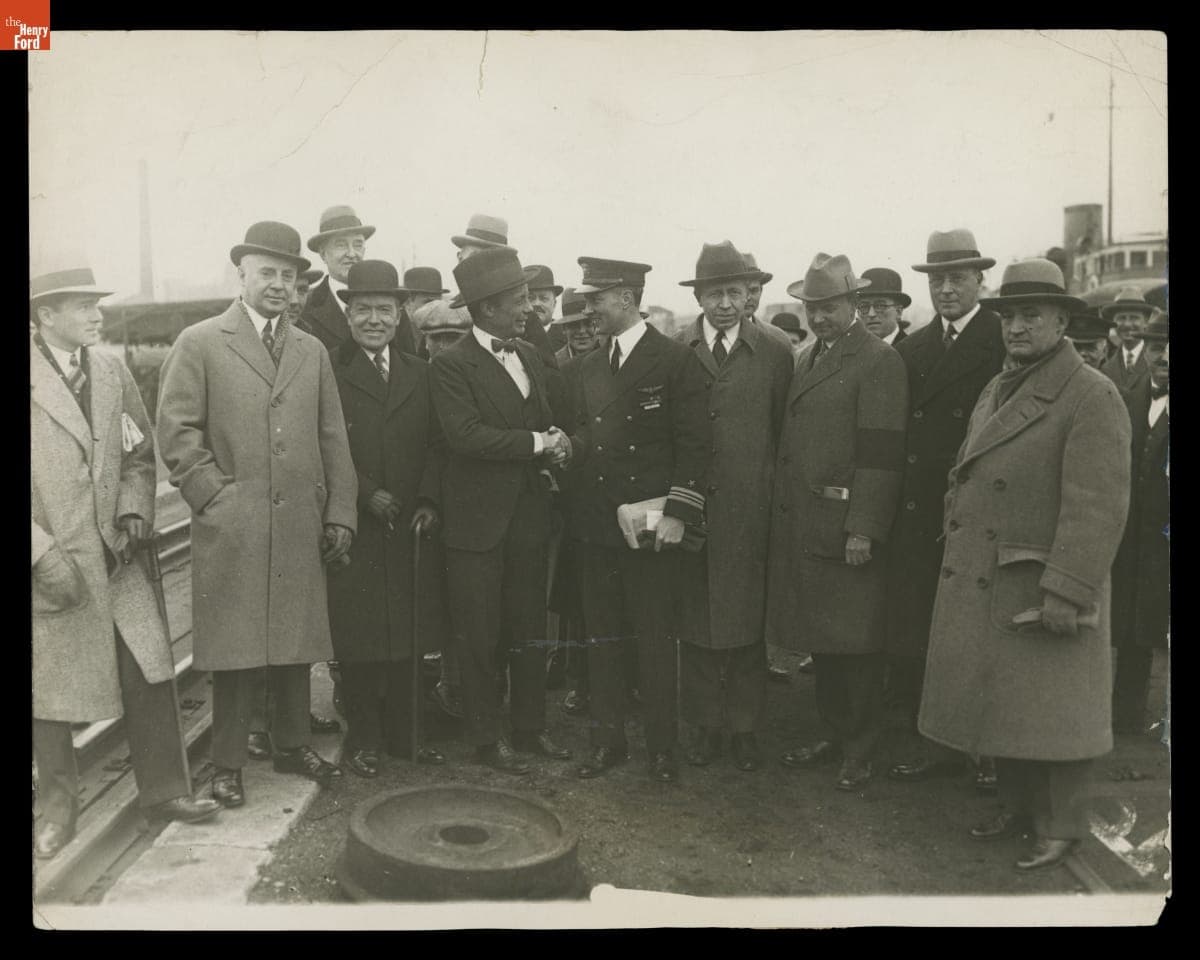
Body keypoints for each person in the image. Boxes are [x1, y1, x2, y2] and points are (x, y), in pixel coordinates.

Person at [919, 258, 1131, 871]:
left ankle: (1062, 827)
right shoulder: (998, 385)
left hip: (1043, 580)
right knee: (1009, 708)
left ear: (1063, 320)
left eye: (1030, 314)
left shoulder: (1091, 393)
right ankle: (1018, 809)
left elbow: (1098, 507)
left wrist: (1068, 590)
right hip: (995, 574)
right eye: (1008, 314)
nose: (1015, 326)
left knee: (1058, 714)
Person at [156, 221, 357, 808]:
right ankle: (228, 763)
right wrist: (214, 496)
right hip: (233, 523)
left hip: (297, 519)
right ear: (241, 275)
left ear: (299, 284)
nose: (277, 284)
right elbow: (176, 430)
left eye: (287, 275)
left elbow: (332, 438)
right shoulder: (200, 341)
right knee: (235, 649)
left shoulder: (311, 349)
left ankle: (292, 746)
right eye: (265, 272)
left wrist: (338, 511)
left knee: (295, 641)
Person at [31, 262, 221, 859]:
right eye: (82, 305)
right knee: (51, 694)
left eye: (97, 304)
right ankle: (57, 812)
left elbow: (140, 455)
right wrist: (40, 556)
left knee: (150, 673)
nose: (97, 314)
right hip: (53, 565)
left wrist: (137, 506)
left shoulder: (111, 371)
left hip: (119, 558)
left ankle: (165, 792)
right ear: (44, 315)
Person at [563, 256, 712, 782]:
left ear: (626, 298)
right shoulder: (585, 367)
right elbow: (587, 438)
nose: (588, 312)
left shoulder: (674, 362)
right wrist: (567, 448)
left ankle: (662, 748)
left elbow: (696, 446)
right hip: (597, 527)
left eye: (595, 301)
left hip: (650, 528)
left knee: (654, 638)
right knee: (602, 638)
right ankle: (608, 742)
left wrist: (678, 513)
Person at [767, 253, 908, 792]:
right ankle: (833, 734)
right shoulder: (805, 356)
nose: (819, 317)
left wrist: (864, 527)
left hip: (845, 525)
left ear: (852, 304)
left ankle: (861, 749)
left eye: (829, 307)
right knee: (823, 641)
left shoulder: (877, 361)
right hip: (808, 525)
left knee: (858, 645)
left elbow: (882, 454)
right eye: (812, 307)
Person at [431, 246, 574, 774]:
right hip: (475, 526)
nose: (530, 310)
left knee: (529, 626)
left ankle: (530, 730)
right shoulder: (450, 367)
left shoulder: (531, 355)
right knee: (480, 634)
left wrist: (558, 437)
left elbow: (547, 415)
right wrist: (540, 443)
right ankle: (487, 740)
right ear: (487, 307)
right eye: (519, 300)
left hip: (529, 518)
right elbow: (465, 437)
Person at [884, 229, 1006, 795]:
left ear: (981, 281)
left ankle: (982, 750)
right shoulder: (911, 351)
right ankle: (931, 741)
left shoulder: (1004, 340)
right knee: (922, 631)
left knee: (977, 634)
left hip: (980, 508)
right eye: (937, 280)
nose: (947, 289)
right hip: (920, 514)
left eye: (958, 278)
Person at [674, 242, 793, 772]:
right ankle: (702, 725)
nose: (724, 303)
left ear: (749, 294)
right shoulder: (678, 348)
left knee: (746, 621)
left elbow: (781, 431)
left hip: (750, 506)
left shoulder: (774, 349)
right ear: (698, 296)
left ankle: (744, 727)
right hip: (694, 503)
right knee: (696, 618)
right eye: (713, 293)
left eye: (733, 292)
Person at [327, 260, 449, 776]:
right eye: (362, 310)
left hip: (409, 527)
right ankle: (366, 739)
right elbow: (323, 445)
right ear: (348, 315)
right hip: (357, 521)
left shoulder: (422, 373)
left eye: (383, 310)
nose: (373, 320)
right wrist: (366, 494)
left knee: (409, 634)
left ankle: (406, 736)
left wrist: (426, 500)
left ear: (400, 316)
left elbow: (439, 445)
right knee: (359, 639)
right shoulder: (329, 371)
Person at [409, 296, 474, 720]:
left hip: (472, 510)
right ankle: (428, 692)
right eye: (435, 339)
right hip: (425, 507)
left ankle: (462, 688)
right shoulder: (416, 381)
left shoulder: (478, 377)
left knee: (467, 606)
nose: (442, 348)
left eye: (453, 337)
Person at [1110, 309, 1169, 735]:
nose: (1163, 356)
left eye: (1168, 348)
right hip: (1134, 538)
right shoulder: (1128, 399)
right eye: (1155, 347)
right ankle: (1126, 716)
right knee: (1131, 628)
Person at [301, 204, 417, 356]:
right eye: (341, 245)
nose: (351, 253)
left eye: (358, 244)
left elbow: (408, 362)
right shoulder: (307, 306)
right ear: (323, 254)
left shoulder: (390, 302)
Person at [1099, 287, 1155, 392]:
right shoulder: (1106, 368)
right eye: (1121, 318)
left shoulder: (1158, 361)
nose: (1127, 324)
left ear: (1146, 322)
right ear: (1113, 323)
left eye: (1134, 318)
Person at [401, 266, 451, 357]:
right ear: (408, 304)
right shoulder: (392, 334)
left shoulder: (448, 332)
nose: (434, 309)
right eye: (429, 303)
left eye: (437, 303)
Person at [857, 267, 910, 346]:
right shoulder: (853, 353)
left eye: (880, 306)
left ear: (899, 311)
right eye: (864, 307)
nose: (871, 314)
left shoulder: (914, 351)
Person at [551, 287, 603, 366]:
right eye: (573, 324)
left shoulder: (611, 357)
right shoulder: (554, 364)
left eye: (588, 323)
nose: (581, 331)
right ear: (564, 328)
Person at [528, 264, 567, 353]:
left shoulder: (568, 338)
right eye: (531, 298)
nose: (537, 303)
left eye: (543, 298)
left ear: (554, 304)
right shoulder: (511, 340)